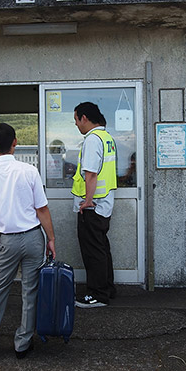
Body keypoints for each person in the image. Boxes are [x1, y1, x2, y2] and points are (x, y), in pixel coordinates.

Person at [0, 123, 56, 359]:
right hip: (33, 237)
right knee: (30, 291)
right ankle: (22, 343)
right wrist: (51, 239)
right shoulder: (29, 172)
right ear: (15, 142)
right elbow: (42, 209)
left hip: (7, 241)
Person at [72, 102, 117, 308]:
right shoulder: (106, 137)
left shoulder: (92, 139)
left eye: (76, 119)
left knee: (93, 251)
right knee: (102, 248)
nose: (76, 124)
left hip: (92, 206)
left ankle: (97, 295)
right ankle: (107, 288)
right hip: (104, 204)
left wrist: (88, 201)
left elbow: (90, 173)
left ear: (84, 118)